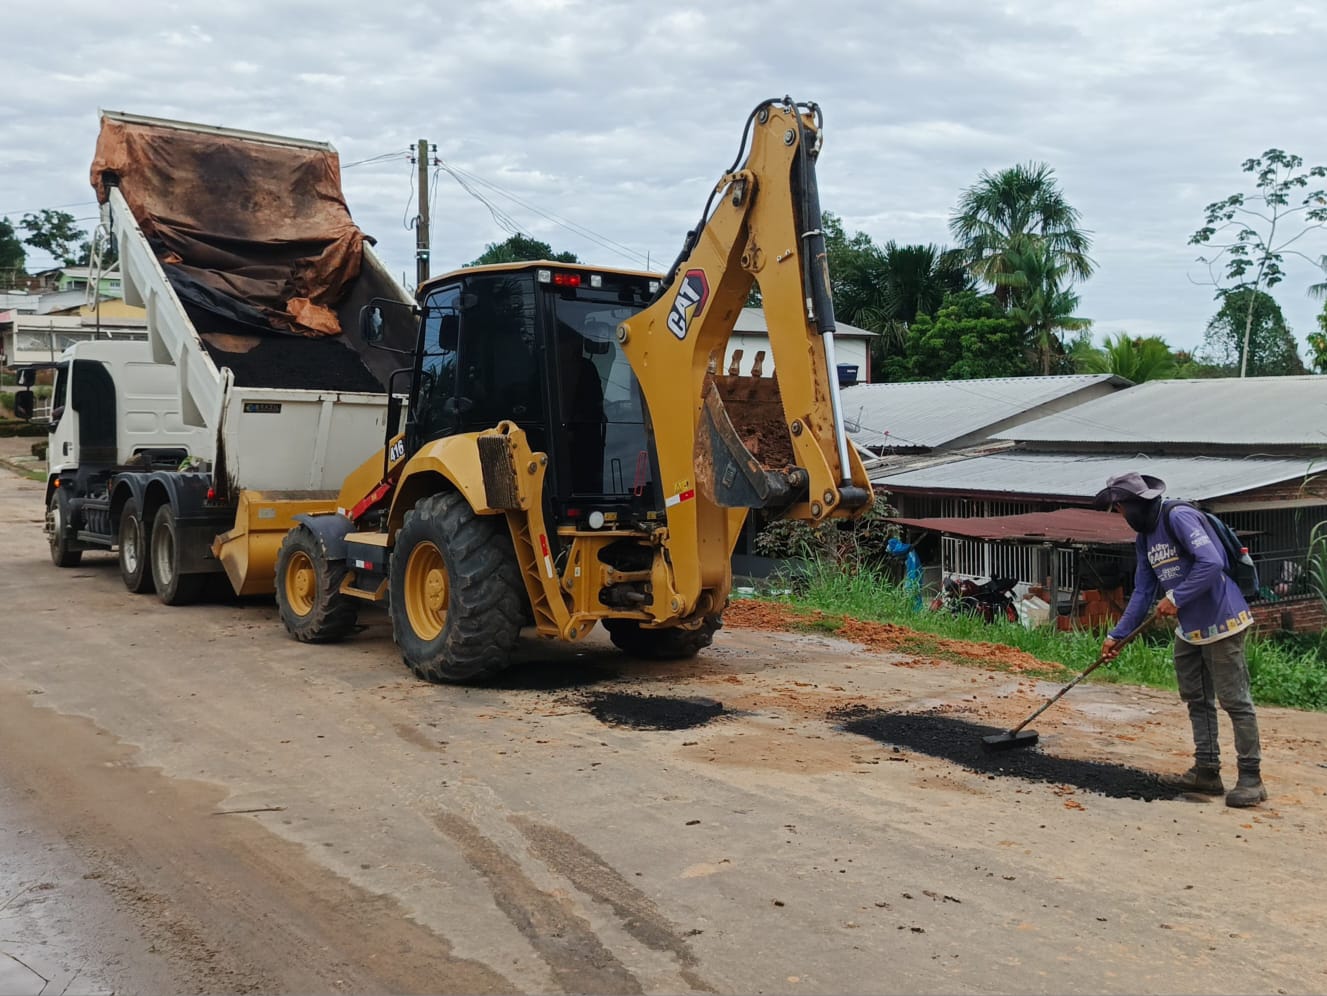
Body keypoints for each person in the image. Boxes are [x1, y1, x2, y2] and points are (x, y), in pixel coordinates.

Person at [1096, 471, 1266, 808]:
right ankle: (1207, 770)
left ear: (1135, 504)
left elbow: (1212, 562)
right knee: (1196, 697)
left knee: (1234, 700)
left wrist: (1177, 597)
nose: (1119, 516)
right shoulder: (1145, 539)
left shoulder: (1179, 516)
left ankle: (1251, 778)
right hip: (1190, 629)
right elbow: (1144, 590)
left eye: (1119, 508)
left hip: (1222, 620)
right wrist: (1117, 635)